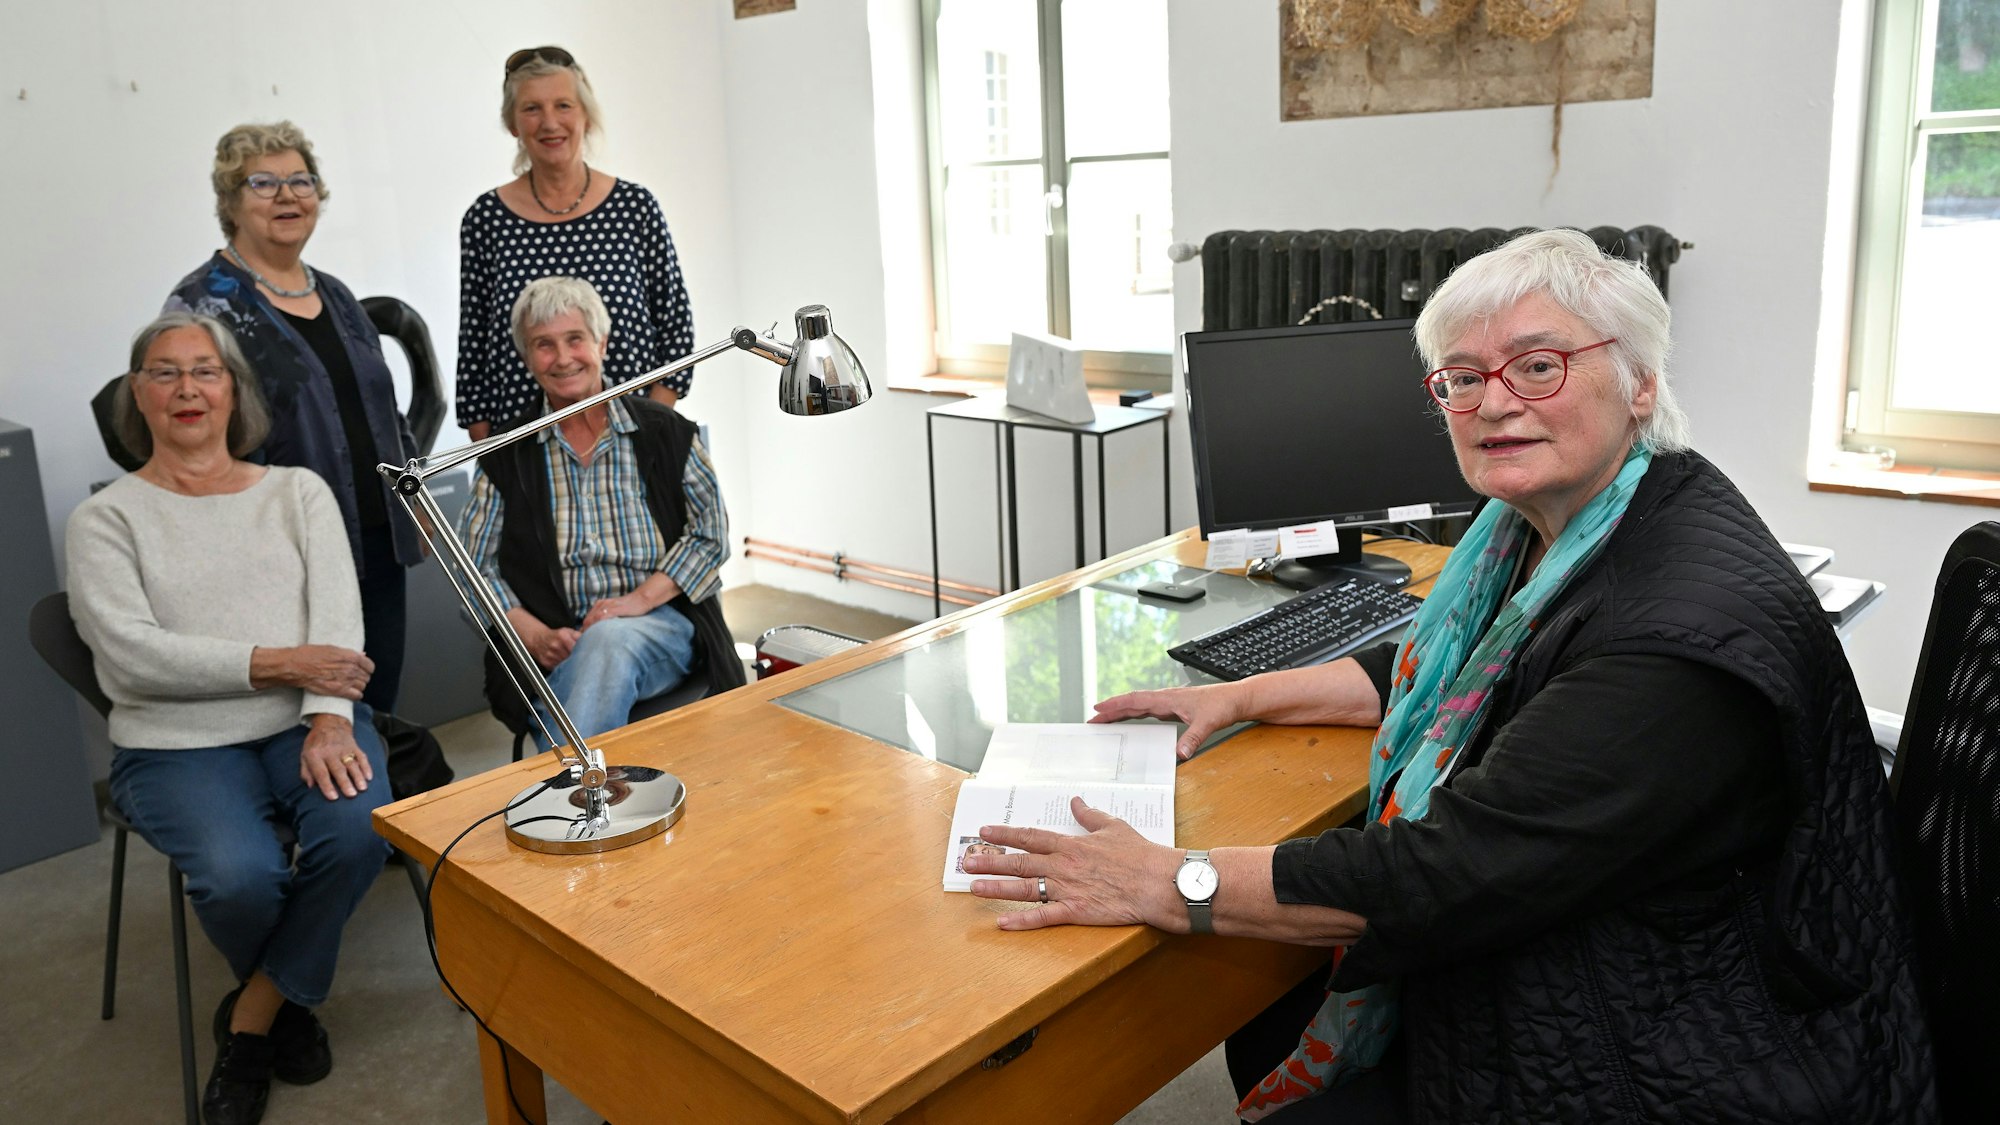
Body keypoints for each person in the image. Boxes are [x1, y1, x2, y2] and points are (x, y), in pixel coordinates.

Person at [962, 229, 1936, 1122]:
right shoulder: (1579, 519)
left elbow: (1440, 876)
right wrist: (1236, 695)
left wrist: (1167, 881)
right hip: (1640, 951)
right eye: (1460, 379)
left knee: (1268, 994)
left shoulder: (1670, 644)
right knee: (1269, 985)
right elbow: (1457, 671)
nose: (1494, 402)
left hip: (1687, 1049)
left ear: (1637, 381)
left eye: (1538, 366)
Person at [68, 312, 391, 1125]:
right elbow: (132, 656)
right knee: (239, 875)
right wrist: (279, 661)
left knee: (359, 827)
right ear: (136, 395)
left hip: (304, 725)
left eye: (205, 371)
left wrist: (326, 715)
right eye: (165, 372)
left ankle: (250, 1022)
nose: (187, 388)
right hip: (172, 745)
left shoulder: (296, 491)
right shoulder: (106, 519)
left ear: (232, 391)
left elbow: (337, 618)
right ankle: (290, 1004)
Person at [166, 121, 422, 714]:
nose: (288, 196)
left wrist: (416, 502)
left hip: (377, 541)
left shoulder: (334, 294)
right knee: (313, 721)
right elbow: (186, 436)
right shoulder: (205, 303)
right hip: (279, 554)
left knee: (377, 708)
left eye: (300, 181)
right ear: (230, 203)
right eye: (263, 183)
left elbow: (382, 404)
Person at [460, 276, 744, 748]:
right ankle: (594, 794)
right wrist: (528, 631)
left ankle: (570, 792)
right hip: (556, 643)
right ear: (527, 359)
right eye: (544, 345)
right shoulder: (506, 454)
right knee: (594, 651)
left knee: (608, 640)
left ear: (602, 343)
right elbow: (471, 567)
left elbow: (710, 536)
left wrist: (636, 602)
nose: (564, 357)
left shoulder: (666, 433)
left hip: (662, 628)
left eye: (576, 339)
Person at [456, 45, 695, 442]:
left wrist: (652, 425)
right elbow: (474, 347)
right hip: (522, 449)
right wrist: (490, 456)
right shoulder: (485, 219)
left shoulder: (634, 208)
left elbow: (676, 328)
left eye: (563, 105)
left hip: (634, 438)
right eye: (532, 108)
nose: (550, 122)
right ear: (513, 124)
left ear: (585, 115)